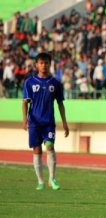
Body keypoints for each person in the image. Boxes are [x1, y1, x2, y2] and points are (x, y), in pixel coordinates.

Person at [22, 52, 69, 190]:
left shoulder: (55, 83)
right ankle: (40, 181)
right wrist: (25, 120)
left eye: (47, 63)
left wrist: (65, 122)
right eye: (41, 63)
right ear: (36, 65)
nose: (44, 65)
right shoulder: (29, 82)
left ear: (50, 64)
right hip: (34, 123)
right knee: (37, 150)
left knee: (50, 147)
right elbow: (24, 103)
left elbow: (60, 103)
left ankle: (52, 179)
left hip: (48, 122)